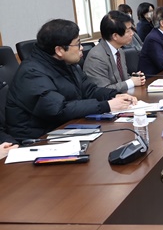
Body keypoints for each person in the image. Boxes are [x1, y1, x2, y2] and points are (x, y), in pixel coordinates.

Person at [5, 19, 136, 142]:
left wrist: (114, 95)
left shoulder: (66, 63)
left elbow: (89, 90)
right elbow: (58, 110)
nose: (82, 48)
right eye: (78, 44)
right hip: (38, 140)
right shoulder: (31, 73)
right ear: (59, 50)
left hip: (65, 128)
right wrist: (106, 105)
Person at [84, 11, 146, 92]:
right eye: (128, 31)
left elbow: (121, 79)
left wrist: (135, 78)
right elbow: (103, 89)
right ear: (115, 36)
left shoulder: (119, 51)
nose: (132, 33)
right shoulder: (96, 57)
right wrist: (131, 82)